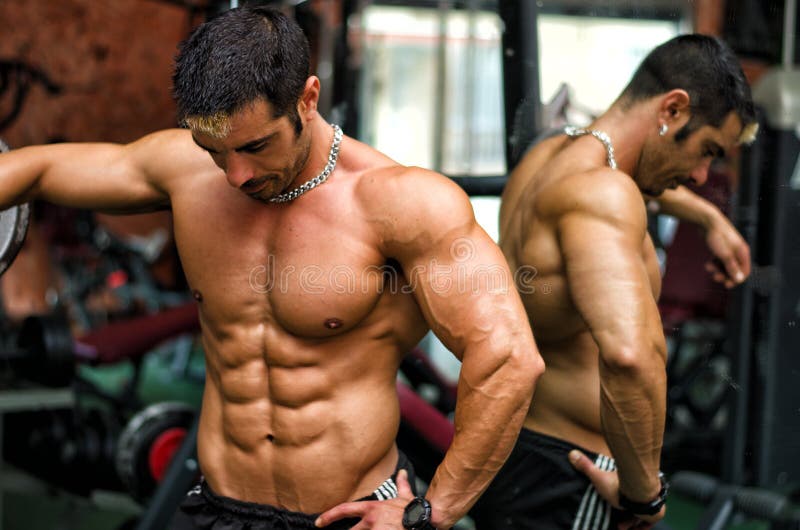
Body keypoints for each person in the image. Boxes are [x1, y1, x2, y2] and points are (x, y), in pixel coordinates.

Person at [0, 6, 544, 530]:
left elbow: (507, 359)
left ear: (308, 99)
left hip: (348, 513)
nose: (235, 175)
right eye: (214, 149)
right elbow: (38, 169)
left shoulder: (401, 204)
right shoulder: (186, 172)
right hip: (217, 504)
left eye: (257, 146)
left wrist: (433, 511)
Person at [470, 34, 757, 530]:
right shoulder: (603, 195)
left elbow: (626, 180)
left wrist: (708, 219)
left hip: (525, 455)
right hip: (577, 475)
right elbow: (629, 356)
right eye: (706, 150)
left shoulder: (551, 157)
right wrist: (644, 494)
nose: (699, 175)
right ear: (672, 109)